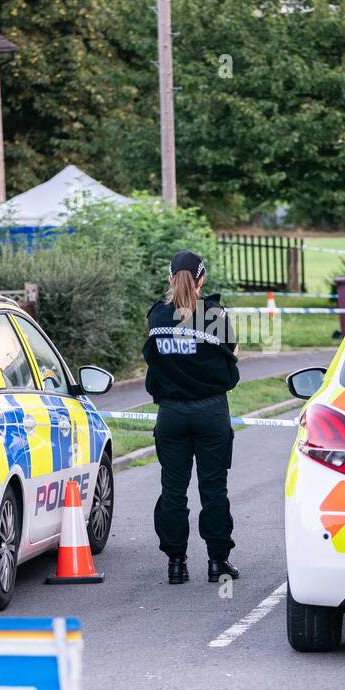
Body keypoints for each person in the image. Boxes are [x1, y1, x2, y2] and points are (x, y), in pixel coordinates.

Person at [143, 250, 241, 584]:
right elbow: (233, 355)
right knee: (213, 489)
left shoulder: (157, 315)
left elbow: (152, 360)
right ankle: (217, 562)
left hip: (171, 413)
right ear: (202, 279)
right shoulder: (212, 313)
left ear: (170, 278)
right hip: (211, 410)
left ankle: (176, 563)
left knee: (173, 490)